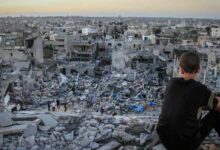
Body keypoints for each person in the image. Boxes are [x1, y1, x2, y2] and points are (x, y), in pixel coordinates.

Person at [156, 52, 220, 150]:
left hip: (164, 138)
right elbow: (218, 106)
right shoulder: (201, 89)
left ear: (180, 69)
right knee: (216, 114)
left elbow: (186, 99)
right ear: (199, 69)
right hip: (186, 145)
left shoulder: (171, 83)